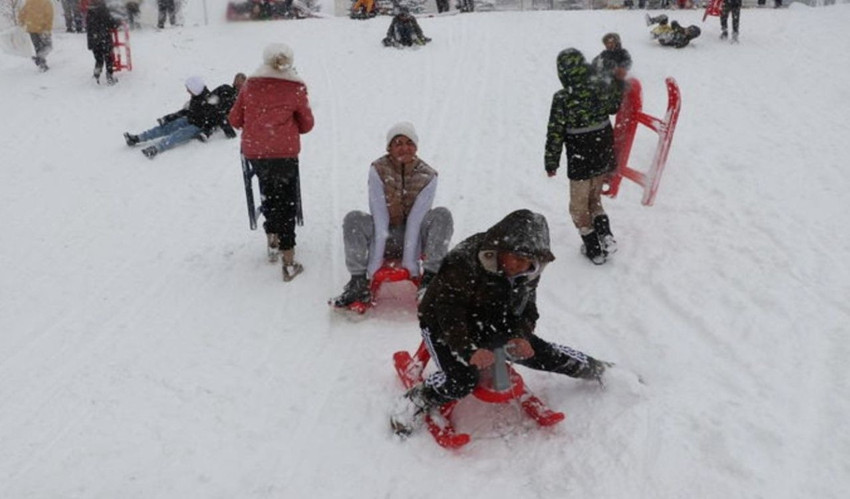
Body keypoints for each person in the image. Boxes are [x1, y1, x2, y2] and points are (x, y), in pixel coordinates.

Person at [390, 209, 609, 436]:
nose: (520, 266)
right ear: (500, 249)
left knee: (540, 352)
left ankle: (597, 369)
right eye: (516, 257)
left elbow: (526, 309)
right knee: (462, 380)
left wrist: (520, 335)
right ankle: (419, 398)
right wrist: (468, 350)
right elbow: (449, 313)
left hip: (493, 320)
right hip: (441, 322)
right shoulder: (464, 260)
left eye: (527, 261)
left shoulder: (528, 270)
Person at [330, 122, 454, 307]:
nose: (404, 148)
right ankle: (357, 283)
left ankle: (430, 280)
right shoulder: (378, 169)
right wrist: (374, 265)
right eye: (398, 143)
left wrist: (410, 264)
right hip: (385, 234)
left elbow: (416, 219)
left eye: (409, 143)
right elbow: (379, 215)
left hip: (417, 238)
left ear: (416, 147)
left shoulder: (428, 175)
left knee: (442, 215)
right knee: (353, 218)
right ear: (389, 148)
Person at [228, 44, 315, 281]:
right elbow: (307, 124)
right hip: (284, 153)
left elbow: (234, 119)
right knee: (286, 200)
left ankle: (272, 238)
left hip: (256, 152)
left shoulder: (250, 86)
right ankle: (289, 259)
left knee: (267, 191)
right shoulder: (295, 88)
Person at [544, 49, 623, 265]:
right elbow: (614, 107)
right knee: (594, 199)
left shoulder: (562, 97)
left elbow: (555, 131)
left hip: (581, 157)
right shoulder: (599, 86)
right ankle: (605, 236)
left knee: (578, 206)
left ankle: (593, 248)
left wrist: (551, 162)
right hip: (602, 151)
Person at [124, 76, 232, 159]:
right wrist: (168, 118)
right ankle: (138, 138)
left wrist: (229, 133)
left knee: (177, 135)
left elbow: (220, 117)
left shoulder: (209, 101)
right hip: (190, 119)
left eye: (188, 89)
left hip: (198, 127)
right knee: (167, 127)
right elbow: (187, 111)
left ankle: (156, 148)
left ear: (195, 88)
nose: (187, 91)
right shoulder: (196, 96)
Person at [86, 0, 121, 85]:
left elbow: (88, 26)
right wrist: (118, 22)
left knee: (98, 58)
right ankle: (109, 76)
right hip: (104, 38)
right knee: (108, 58)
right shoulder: (103, 10)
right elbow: (111, 23)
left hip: (94, 40)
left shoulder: (90, 11)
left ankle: (96, 75)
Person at [17, 0, 54, 72]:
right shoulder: (46, 2)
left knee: (38, 47)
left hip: (32, 29)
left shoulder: (29, 2)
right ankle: (40, 59)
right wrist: (48, 28)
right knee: (48, 46)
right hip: (43, 29)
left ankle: (41, 64)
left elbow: (22, 13)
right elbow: (49, 16)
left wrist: (21, 22)